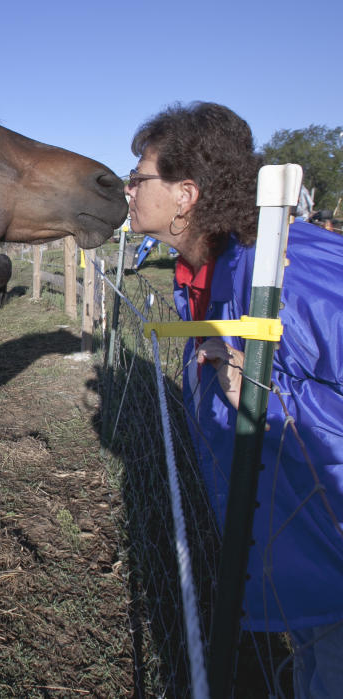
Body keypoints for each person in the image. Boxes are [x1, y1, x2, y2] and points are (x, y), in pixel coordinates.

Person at [126, 101, 343, 697]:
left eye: (139, 177)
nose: (128, 189)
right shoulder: (202, 275)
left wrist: (267, 394)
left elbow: (294, 397)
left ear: (185, 194)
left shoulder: (290, 274)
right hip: (298, 561)